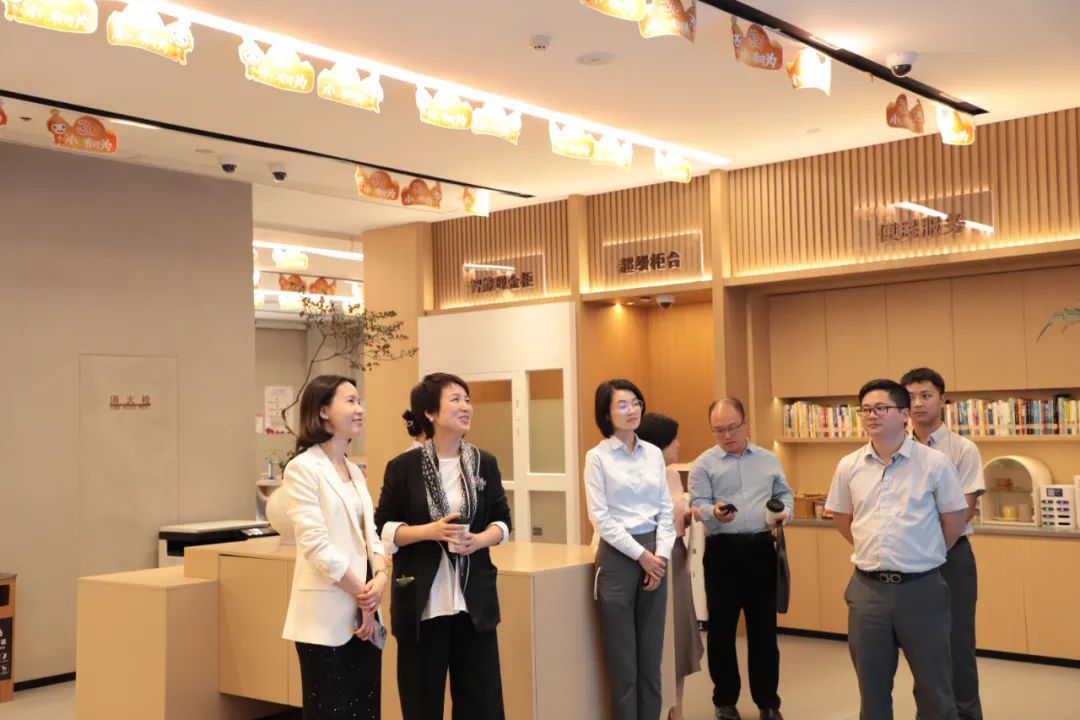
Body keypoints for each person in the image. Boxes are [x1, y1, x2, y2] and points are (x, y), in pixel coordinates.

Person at [825, 379, 968, 720]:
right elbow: (843, 519)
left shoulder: (934, 463)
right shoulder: (849, 465)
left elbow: (953, 522)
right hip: (868, 591)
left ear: (905, 414)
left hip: (922, 589)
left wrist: (920, 553)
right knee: (871, 689)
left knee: (935, 688)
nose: (871, 415)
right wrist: (876, 549)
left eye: (881, 408)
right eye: (866, 409)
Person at [375, 373, 512, 720]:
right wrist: (430, 531)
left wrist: (478, 540)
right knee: (422, 705)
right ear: (430, 413)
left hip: (473, 603)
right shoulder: (403, 467)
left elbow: (503, 523)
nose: (466, 406)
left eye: (467, 399)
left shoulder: (484, 462)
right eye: (455, 399)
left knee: (481, 704)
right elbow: (384, 529)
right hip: (422, 605)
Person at [280, 375, 387, 720]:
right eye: (350, 401)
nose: (360, 409)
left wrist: (381, 576)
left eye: (359, 401)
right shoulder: (302, 468)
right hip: (325, 619)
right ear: (324, 411)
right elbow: (316, 545)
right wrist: (364, 594)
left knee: (365, 710)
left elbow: (371, 533)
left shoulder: (354, 470)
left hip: (365, 615)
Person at [689, 398, 793, 720]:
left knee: (764, 630)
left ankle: (768, 702)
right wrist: (713, 511)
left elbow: (784, 494)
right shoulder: (703, 464)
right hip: (722, 551)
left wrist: (783, 512)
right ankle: (724, 701)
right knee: (721, 631)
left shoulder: (768, 459)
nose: (727, 435)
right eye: (718, 430)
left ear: (745, 422)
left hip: (761, 548)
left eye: (732, 428)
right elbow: (697, 504)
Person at [585, 379, 676, 720]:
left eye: (636, 402)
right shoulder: (597, 457)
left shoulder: (653, 453)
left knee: (651, 662)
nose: (632, 409)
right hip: (618, 557)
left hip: (656, 552)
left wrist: (660, 556)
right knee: (623, 666)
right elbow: (600, 518)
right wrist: (641, 556)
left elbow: (665, 509)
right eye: (622, 404)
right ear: (606, 414)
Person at [902, 367, 986, 720]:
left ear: (943, 400)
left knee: (958, 645)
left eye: (926, 395)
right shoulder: (898, 447)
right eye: (910, 397)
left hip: (952, 556)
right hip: (909, 561)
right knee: (921, 647)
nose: (918, 403)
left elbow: (964, 509)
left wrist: (929, 545)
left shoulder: (962, 449)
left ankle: (966, 715)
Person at [636, 412, 704, 720]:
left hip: (676, 556)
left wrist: (687, 517)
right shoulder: (638, 477)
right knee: (655, 638)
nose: (678, 444)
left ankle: (677, 711)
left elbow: (673, 517)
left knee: (680, 637)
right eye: (673, 439)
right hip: (650, 558)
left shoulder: (672, 474)